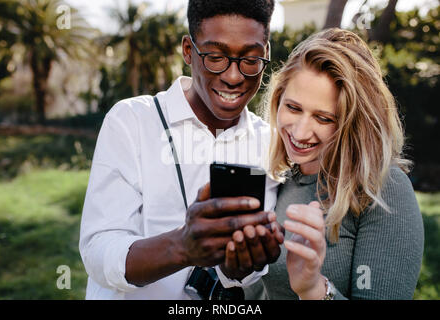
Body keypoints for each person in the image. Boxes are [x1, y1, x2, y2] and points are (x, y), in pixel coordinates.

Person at [79, 0, 284, 300]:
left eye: (251, 59)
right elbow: (98, 251)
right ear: (188, 50)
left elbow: (241, 274)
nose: (234, 76)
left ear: (265, 54)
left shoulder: (269, 142)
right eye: (215, 56)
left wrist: (240, 262)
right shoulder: (131, 121)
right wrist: (182, 247)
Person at [243, 28, 424, 300]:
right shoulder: (281, 181)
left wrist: (314, 289)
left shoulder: (381, 189)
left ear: (353, 123)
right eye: (293, 108)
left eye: (324, 118)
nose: (301, 132)